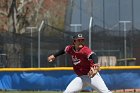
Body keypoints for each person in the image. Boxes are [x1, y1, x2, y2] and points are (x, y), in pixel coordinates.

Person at [48, 34, 112, 93]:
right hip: (81, 78)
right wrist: (54, 56)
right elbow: (64, 50)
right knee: (67, 92)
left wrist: (96, 64)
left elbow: (93, 55)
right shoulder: (70, 48)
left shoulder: (85, 50)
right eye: (79, 40)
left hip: (92, 76)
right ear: (74, 42)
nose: (81, 42)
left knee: (105, 92)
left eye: (82, 40)